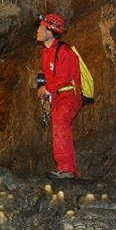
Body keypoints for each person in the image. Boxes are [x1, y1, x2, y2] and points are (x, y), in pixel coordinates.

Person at [36, 13, 82, 179]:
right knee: (61, 127)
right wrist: (48, 94)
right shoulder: (47, 53)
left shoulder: (64, 51)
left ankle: (66, 168)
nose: (38, 31)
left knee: (61, 124)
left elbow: (63, 77)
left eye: (41, 28)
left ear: (50, 31)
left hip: (69, 94)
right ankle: (70, 169)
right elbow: (52, 77)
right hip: (58, 97)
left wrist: (47, 88)